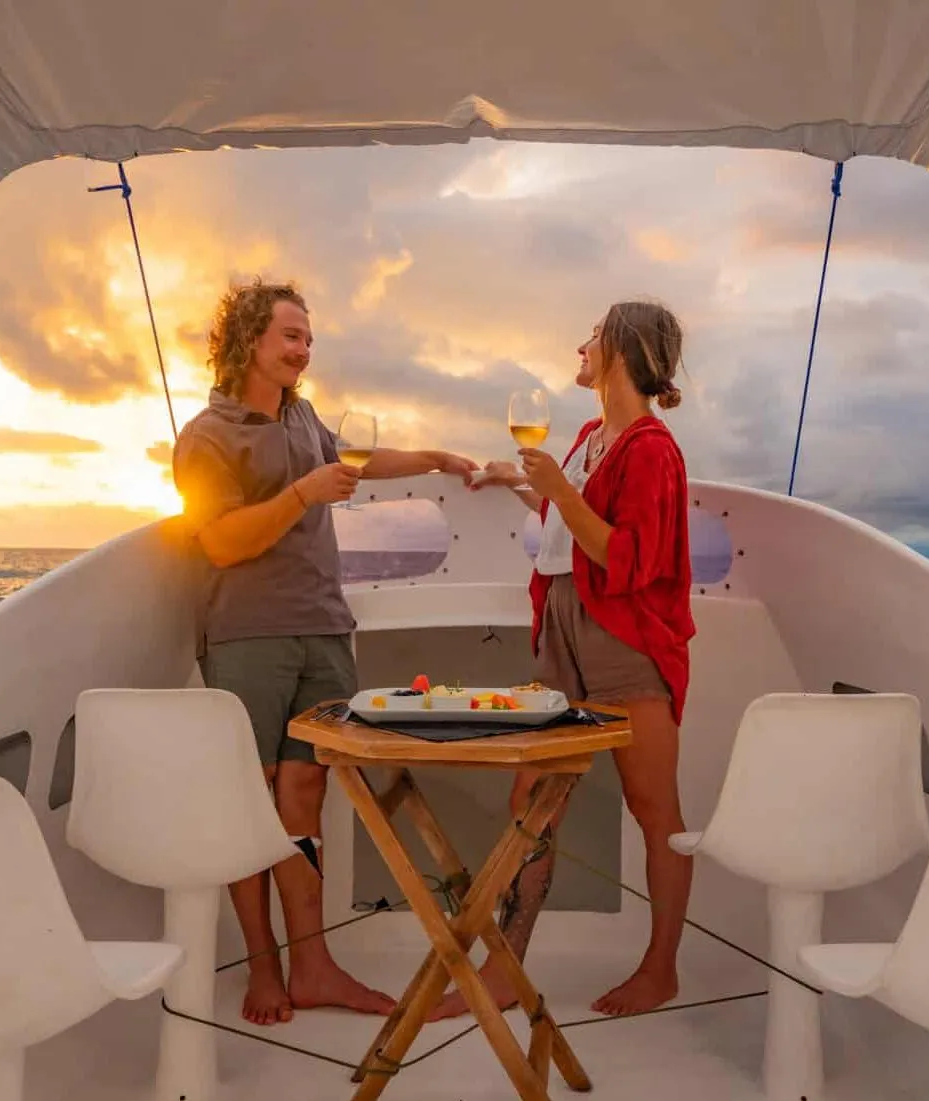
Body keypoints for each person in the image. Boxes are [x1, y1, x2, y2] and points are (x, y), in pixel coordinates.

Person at [172, 278, 477, 1026]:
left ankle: (313, 966)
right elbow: (220, 541)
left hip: (323, 627)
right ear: (249, 340)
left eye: (309, 338)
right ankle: (265, 967)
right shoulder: (207, 435)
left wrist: (437, 455)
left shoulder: (305, 415)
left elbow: (359, 463)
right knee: (253, 802)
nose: (304, 350)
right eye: (291, 336)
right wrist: (304, 496)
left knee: (304, 796)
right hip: (250, 634)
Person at [433, 298, 696, 1019]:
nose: (579, 346)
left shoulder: (651, 448)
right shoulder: (590, 435)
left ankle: (661, 969)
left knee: (655, 811)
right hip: (562, 626)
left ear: (620, 348)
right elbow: (569, 526)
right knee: (532, 803)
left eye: (592, 336)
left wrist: (553, 487)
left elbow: (627, 557)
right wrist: (523, 484)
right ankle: (502, 970)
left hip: (625, 636)